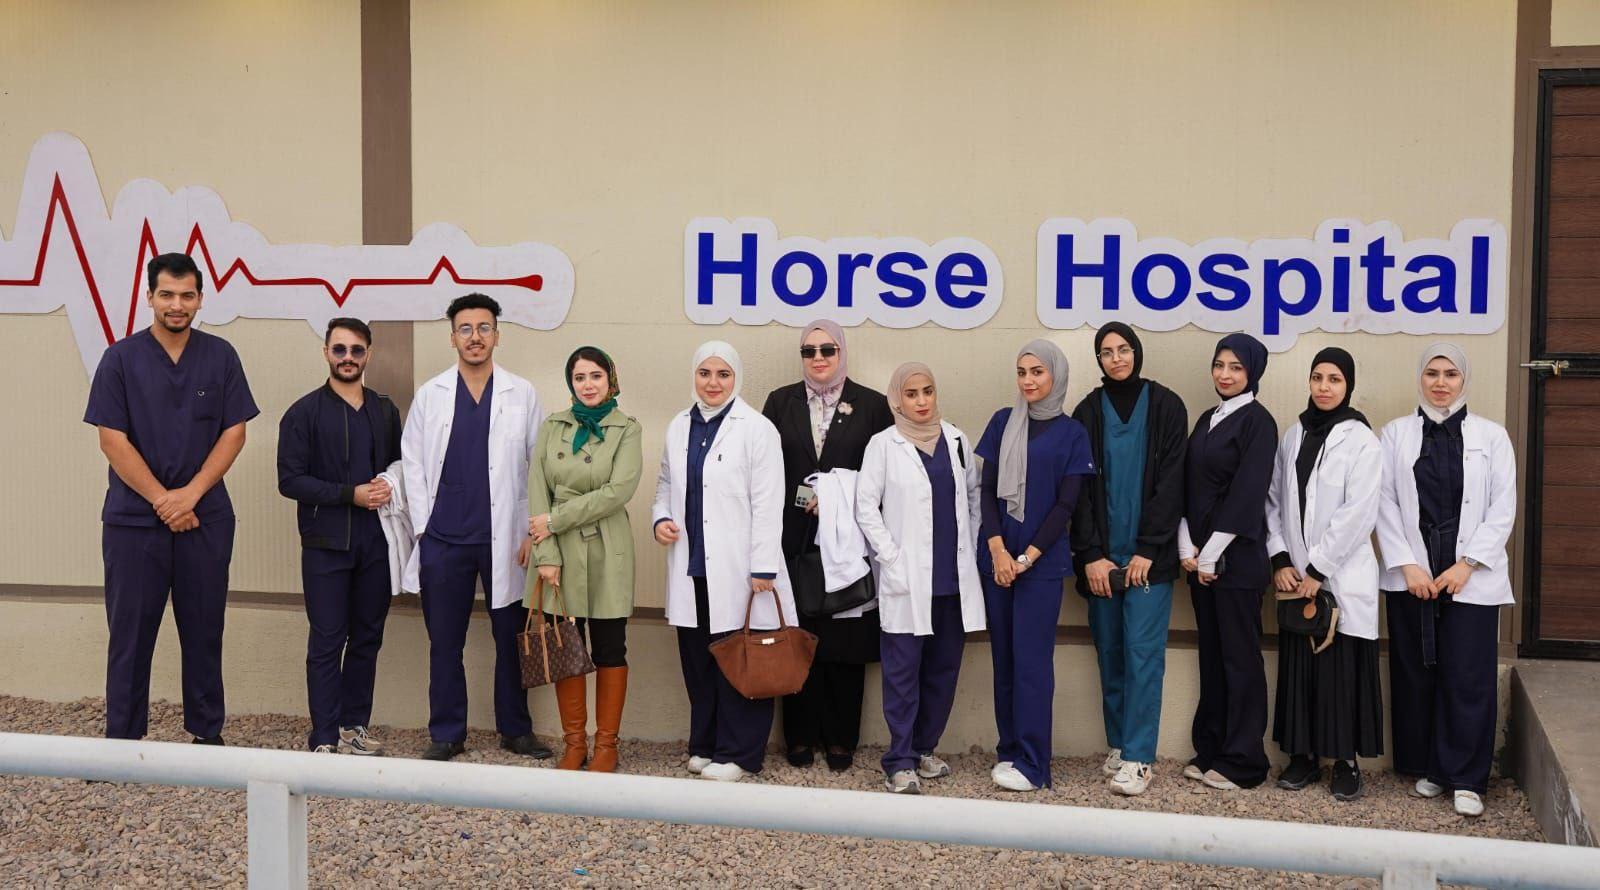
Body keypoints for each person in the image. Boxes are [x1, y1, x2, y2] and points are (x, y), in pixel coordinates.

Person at [84, 252, 259, 744]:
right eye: (167, 294)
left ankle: (207, 736)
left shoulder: (220, 356)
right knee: (130, 636)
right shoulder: (120, 359)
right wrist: (165, 500)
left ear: (200, 299)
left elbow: (235, 431)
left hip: (204, 520)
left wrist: (191, 495)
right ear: (149, 297)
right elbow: (111, 439)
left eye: (186, 295)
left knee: (204, 632)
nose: (176, 305)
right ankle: (122, 742)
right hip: (134, 523)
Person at [401, 293, 551, 762]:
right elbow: (412, 464)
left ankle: (516, 729)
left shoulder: (521, 393)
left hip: (505, 538)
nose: (475, 337)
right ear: (452, 338)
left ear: (497, 336)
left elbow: (539, 466)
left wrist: (531, 530)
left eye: (484, 328)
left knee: (511, 639)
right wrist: (424, 529)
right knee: (446, 642)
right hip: (444, 537)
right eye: (465, 329)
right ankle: (448, 733)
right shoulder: (431, 394)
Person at [1376, 344, 1515, 818]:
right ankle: (1431, 767)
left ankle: (1467, 778)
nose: (1441, 383)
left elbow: (1503, 507)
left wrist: (1467, 564)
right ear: (1421, 378)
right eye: (1432, 373)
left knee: (1467, 674)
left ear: (1464, 380)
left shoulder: (1492, 436)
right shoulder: (1395, 433)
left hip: (1469, 572)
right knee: (1418, 671)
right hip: (1415, 570)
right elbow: (1384, 502)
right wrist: (1407, 564)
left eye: (1450, 374)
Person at [653, 341, 797, 783]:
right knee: (699, 663)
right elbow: (665, 482)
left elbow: (770, 501)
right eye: (705, 373)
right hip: (693, 564)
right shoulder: (679, 425)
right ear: (694, 376)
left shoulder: (756, 429)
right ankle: (707, 745)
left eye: (723, 374)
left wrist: (763, 566)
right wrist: (661, 517)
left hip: (741, 570)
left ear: (736, 378)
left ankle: (740, 753)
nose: (712, 383)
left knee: (741, 660)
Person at [761, 321, 893, 772]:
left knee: (845, 639)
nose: (818, 358)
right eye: (809, 350)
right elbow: (765, 469)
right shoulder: (780, 402)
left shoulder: (872, 405)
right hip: (794, 536)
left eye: (828, 349)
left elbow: (881, 474)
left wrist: (836, 499)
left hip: (848, 540)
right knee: (798, 634)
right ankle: (799, 735)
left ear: (842, 352)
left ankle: (840, 738)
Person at [855, 362, 986, 794]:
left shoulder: (956, 440)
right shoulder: (883, 445)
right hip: (907, 580)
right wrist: (891, 556)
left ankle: (924, 749)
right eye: (911, 394)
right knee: (902, 674)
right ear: (897, 399)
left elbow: (973, 497)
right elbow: (865, 507)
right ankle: (899, 760)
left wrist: (969, 545)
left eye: (927, 391)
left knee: (943, 671)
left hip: (951, 580)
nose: (922, 401)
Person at [1069, 323, 1188, 796]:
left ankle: (1139, 758)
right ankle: (1119, 743)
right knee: (1110, 650)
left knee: (1142, 654)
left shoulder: (1167, 406)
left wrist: (1148, 548)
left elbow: (1174, 483)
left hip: (1147, 560)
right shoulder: (1086, 412)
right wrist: (1091, 555)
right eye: (1106, 352)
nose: (1116, 358)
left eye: (1123, 349)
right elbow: (1077, 491)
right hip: (1103, 561)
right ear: (1098, 359)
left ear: (1137, 352)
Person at [277, 318, 403, 754]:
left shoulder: (384, 410)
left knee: (367, 637)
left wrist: (390, 484)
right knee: (327, 640)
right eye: (339, 349)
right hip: (325, 544)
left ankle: (353, 730)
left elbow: (400, 464)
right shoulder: (303, 413)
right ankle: (324, 737)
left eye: (356, 350)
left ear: (369, 354)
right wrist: (351, 494)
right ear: (326, 353)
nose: (348, 358)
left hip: (377, 541)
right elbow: (290, 480)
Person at [1265, 347, 1384, 800]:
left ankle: (1345, 763)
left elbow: (1359, 513)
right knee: (1301, 670)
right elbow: (1274, 500)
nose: (1324, 387)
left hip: (1339, 577)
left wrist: (1318, 569)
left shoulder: (1362, 440)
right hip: (1296, 578)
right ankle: (1303, 756)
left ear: (1348, 385)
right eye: (1317, 377)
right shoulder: (1294, 434)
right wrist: (1280, 559)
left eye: (1334, 379)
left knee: (1341, 671)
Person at [977, 339, 1095, 792]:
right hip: (998, 563)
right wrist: (998, 551)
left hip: (1040, 568)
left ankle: (1033, 764)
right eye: (1022, 372)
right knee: (1004, 661)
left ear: (1055, 375)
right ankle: (1009, 750)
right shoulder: (1002, 422)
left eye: (1038, 372)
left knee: (1031, 665)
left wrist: (1026, 557)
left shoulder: (1073, 433)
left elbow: (1066, 506)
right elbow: (987, 492)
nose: (1028, 380)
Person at [526, 346, 643, 772]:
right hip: (558, 551)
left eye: (596, 376)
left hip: (607, 548)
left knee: (611, 646)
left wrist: (557, 519)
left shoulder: (627, 428)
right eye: (580, 377)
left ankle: (607, 745)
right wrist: (546, 554)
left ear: (611, 380)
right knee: (566, 647)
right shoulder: (553, 426)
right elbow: (537, 489)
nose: (588, 385)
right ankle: (574, 744)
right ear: (570, 382)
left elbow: (617, 492)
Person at [1178, 333, 1277, 791]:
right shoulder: (1207, 418)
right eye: (1219, 365)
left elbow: (1247, 494)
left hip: (1236, 564)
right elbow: (1188, 486)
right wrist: (1186, 547)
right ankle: (1212, 749)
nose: (1225, 374)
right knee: (1213, 659)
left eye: (1236, 367)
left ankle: (1244, 761)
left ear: (1252, 372)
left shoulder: (1259, 422)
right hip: (1201, 564)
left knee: (1240, 661)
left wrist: (1212, 553)